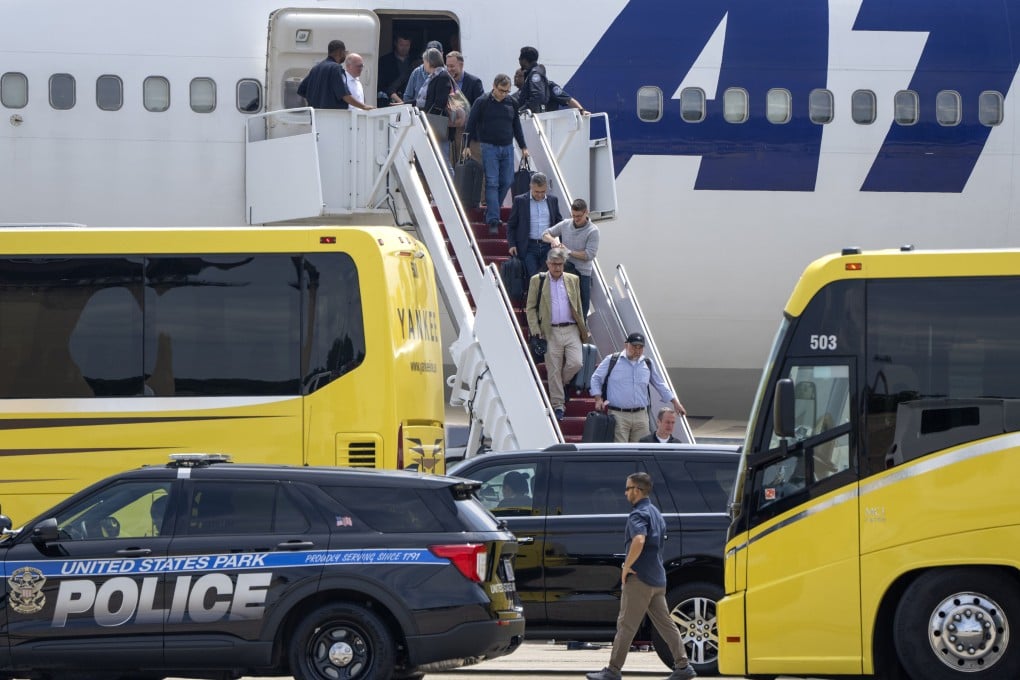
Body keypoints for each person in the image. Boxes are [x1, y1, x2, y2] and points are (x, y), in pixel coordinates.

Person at [585, 473, 697, 680]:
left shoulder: (638, 514)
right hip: (657, 579)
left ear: (637, 490)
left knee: (626, 626)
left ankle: (613, 670)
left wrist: (626, 566)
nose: (625, 493)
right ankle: (683, 666)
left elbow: (639, 540)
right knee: (666, 624)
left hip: (640, 579)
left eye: (628, 488)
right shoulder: (655, 513)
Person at [525, 248, 588, 422]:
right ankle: (558, 405)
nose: (557, 268)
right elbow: (530, 307)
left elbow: (578, 305)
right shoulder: (537, 280)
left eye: (560, 264)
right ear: (547, 264)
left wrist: (582, 327)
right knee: (553, 369)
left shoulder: (573, 279)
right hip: (549, 330)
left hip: (571, 328)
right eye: (553, 264)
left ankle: (561, 384)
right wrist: (536, 329)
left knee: (576, 362)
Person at [462, 73, 529, 234]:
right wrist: (466, 145)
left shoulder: (512, 103)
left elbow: (516, 126)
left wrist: (523, 146)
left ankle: (492, 210)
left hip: (507, 146)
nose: (504, 94)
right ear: (494, 86)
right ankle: (493, 218)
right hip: (489, 146)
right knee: (492, 182)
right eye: (501, 90)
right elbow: (470, 124)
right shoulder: (482, 102)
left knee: (507, 180)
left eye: (507, 91)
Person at [590, 332, 686, 442]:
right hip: (618, 415)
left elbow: (660, 384)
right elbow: (596, 378)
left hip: (641, 416)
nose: (637, 350)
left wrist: (675, 402)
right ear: (626, 345)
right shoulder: (612, 360)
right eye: (634, 346)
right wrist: (598, 399)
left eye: (640, 347)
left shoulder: (647, 363)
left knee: (642, 448)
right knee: (621, 449)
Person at [543, 197, 599, 316]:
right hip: (565, 270)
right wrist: (553, 240)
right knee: (563, 304)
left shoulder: (593, 231)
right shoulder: (566, 223)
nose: (576, 219)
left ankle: (581, 326)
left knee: (583, 307)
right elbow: (545, 234)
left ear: (586, 212)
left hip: (582, 273)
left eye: (579, 216)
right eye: (573, 215)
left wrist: (568, 251)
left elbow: (589, 255)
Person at [508, 172, 562, 278]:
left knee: (548, 277)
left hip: (548, 246)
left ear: (546, 188)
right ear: (530, 187)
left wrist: (559, 242)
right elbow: (511, 224)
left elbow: (558, 223)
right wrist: (512, 244)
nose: (540, 195)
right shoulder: (520, 201)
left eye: (543, 191)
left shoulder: (553, 200)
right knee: (533, 277)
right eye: (537, 191)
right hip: (528, 247)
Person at [445, 50, 485, 162]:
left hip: (470, 135)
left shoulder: (474, 82)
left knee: (475, 165)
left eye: (452, 66)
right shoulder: (446, 83)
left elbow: (481, 108)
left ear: (461, 65)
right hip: (452, 133)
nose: (449, 69)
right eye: (447, 66)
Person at [421, 47, 454, 172]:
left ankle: (451, 184)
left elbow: (440, 102)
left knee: (443, 160)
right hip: (431, 121)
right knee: (435, 160)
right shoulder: (433, 76)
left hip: (437, 123)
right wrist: (405, 103)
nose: (423, 64)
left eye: (424, 61)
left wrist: (427, 117)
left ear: (430, 62)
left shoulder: (442, 76)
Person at [296, 40, 350, 109]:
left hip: (314, 113)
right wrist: (362, 106)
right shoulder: (336, 68)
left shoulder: (316, 68)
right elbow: (345, 95)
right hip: (332, 113)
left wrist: (316, 100)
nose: (345, 55)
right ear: (340, 52)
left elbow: (301, 90)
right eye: (344, 52)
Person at [511, 68, 585, 113]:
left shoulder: (548, 86)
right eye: (515, 75)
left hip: (548, 126)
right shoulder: (515, 96)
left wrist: (582, 111)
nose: (516, 78)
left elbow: (569, 100)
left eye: (520, 76)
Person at [378, 33, 415, 107]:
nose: (404, 48)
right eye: (401, 45)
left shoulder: (415, 61)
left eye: (407, 45)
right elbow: (381, 84)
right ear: (395, 44)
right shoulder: (385, 61)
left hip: (410, 100)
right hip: (390, 101)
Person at [403, 40, 443, 106]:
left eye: (435, 55)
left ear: (441, 54)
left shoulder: (445, 73)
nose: (432, 58)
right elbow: (407, 97)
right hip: (417, 111)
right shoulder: (416, 72)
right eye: (429, 54)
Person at [517, 45, 550, 113]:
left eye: (520, 58)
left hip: (532, 115)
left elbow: (537, 96)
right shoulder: (533, 72)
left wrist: (522, 110)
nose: (518, 59)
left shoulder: (535, 73)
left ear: (525, 60)